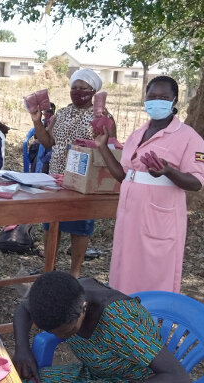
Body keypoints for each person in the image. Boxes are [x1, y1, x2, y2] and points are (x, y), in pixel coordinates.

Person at [95, 76, 204, 295]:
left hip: (159, 219)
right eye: (152, 96)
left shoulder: (189, 137)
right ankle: (124, 318)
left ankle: (153, 321)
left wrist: (169, 171)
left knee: (156, 272)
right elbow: (125, 175)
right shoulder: (138, 134)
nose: (157, 101)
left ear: (174, 100)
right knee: (125, 267)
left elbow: (196, 182)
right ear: (145, 99)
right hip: (130, 216)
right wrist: (102, 147)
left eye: (164, 97)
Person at [12, 271, 190, 383]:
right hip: (93, 375)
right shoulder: (64, 294)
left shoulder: (120, 322)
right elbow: (24, 308)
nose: (64, 338)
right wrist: (22, 349)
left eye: (68, 332)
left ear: (84, 309)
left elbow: (178, 376)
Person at [27, 69, 117, 277]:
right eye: (74, 88)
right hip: (57, 176)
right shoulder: (63, 113)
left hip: (85, 179)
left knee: (80, 226)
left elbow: (110, 146)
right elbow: (48, 142)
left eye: (82, 88)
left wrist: (103, 127)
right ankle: (49, 269)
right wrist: (36, 121)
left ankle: (74, 273)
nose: (77, 92)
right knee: (51, 224)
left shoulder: (103, 116)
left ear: (93, 91)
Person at [27, 102, 55, 173]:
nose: (47, 114)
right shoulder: (42, 121)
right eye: (46, 111)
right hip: (41, 148)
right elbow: (36, 135)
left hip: (48, 149)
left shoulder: (53, 121)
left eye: (50, 111)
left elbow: (51, 136)